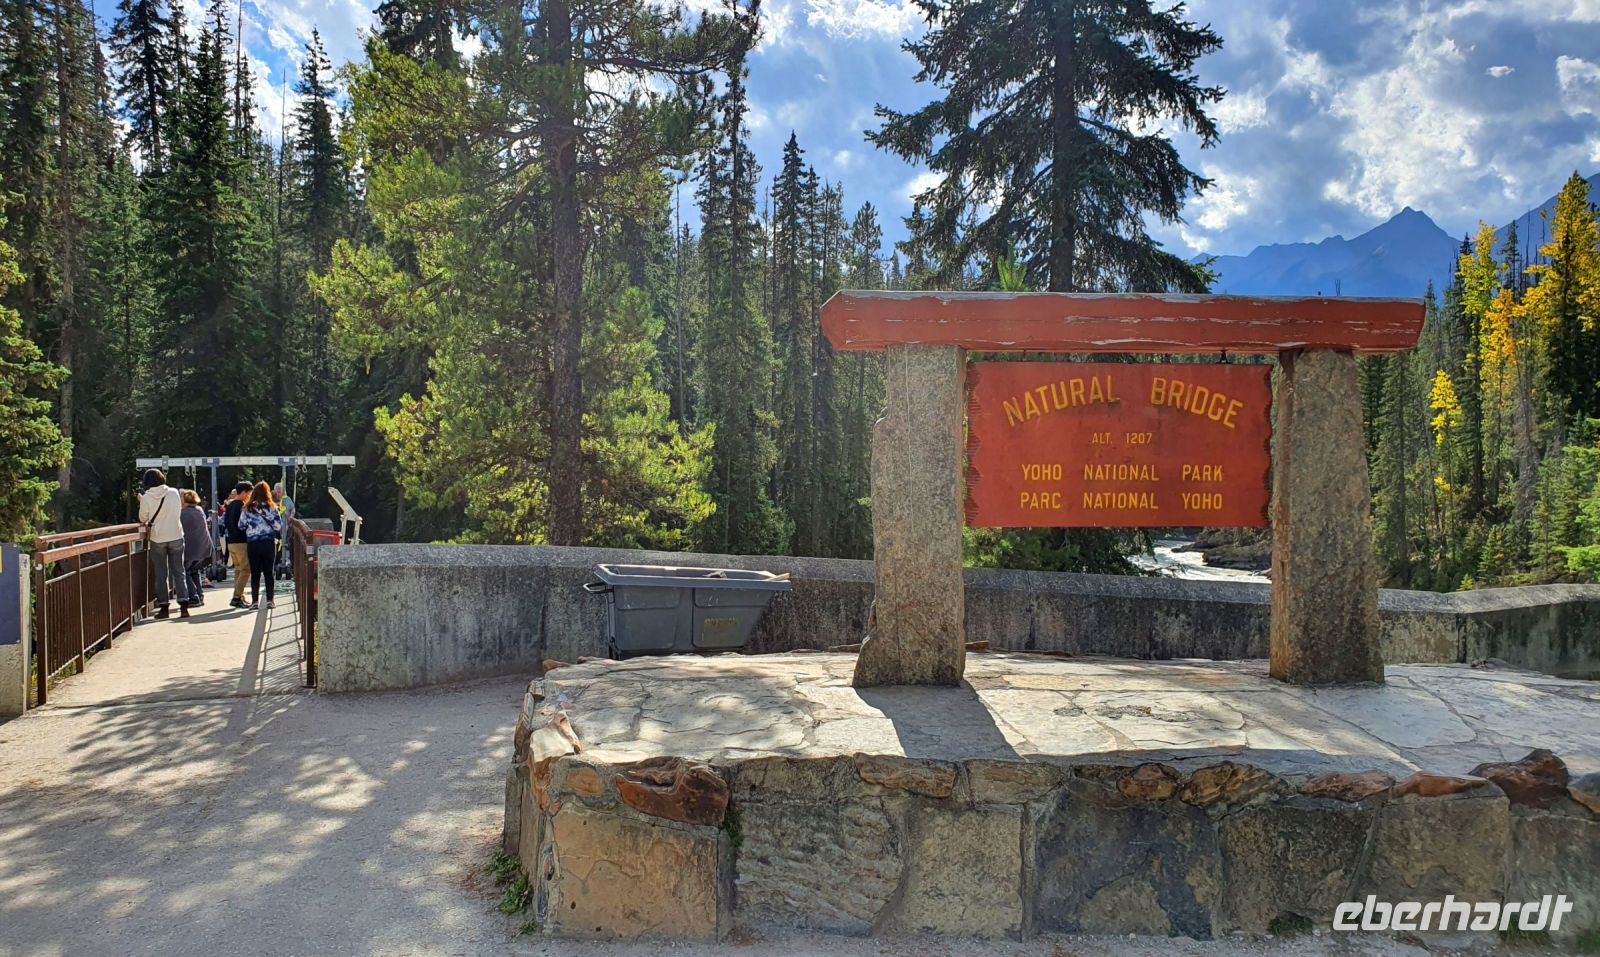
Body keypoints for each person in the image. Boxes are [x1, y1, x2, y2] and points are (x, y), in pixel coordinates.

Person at [138, 469, 191, 619]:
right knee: (179, 572)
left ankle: (164, 607)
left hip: (158, 538)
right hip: (176, 535)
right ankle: (184, 606)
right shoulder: (174, 492)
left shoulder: (146, 497)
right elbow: (177, 510)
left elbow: (143, 518)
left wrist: (141, 501)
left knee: (161, 574)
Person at [239, 481, 283, 609]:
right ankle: (270, 601)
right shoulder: (272, 507)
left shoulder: (247, 508)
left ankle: (254, 602)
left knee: (255, 573)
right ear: (267, 493)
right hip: (268, 543)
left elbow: (241, 525)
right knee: (269, 572)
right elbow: (278, 526)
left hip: (253, 544)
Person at [179, 489, 214, 607]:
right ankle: (200, 594)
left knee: (184, 571)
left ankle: (193, 597)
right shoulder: (199, 510)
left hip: (190, 548)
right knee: (194, 571)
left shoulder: (182, 513)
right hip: (203, 547)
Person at [223, 482, 252, 608]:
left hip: (231, 541)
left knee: (238, 570)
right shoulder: (241, 505)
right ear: (244, 492)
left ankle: (240, 596)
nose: (250, 496)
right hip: (240, 541)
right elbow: (243, 524)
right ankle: (236, 597)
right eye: (249, 493)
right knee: (246, 570)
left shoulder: (230, 505)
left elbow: (225, 522)